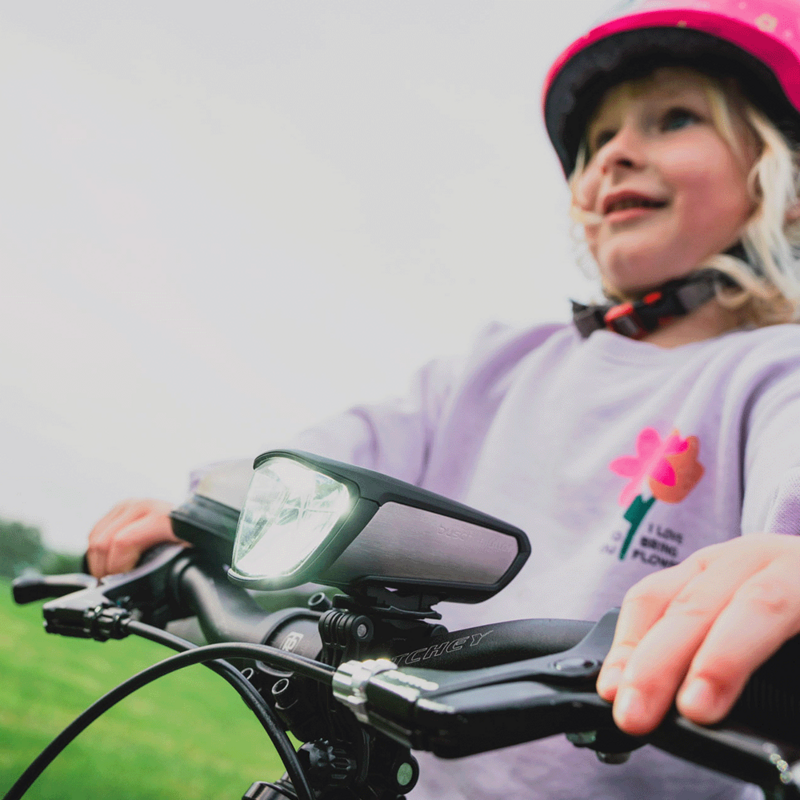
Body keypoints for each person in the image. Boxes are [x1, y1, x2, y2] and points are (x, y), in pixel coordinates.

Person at [86, 0, 800, 797]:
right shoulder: (498, 366)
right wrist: (216, 506)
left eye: (675, 120)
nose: (617, 154)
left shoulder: (772, 369)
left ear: (787, 184)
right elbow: (349, 449)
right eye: (599, 139)